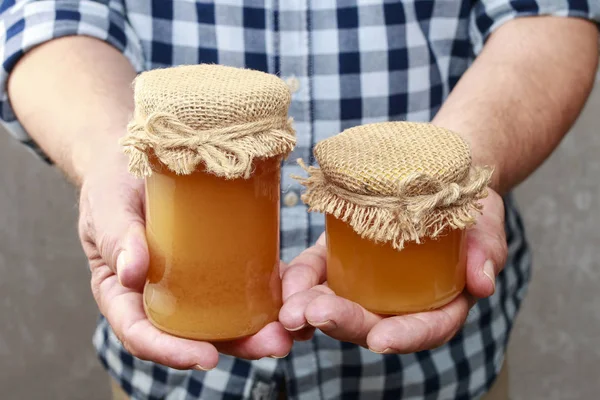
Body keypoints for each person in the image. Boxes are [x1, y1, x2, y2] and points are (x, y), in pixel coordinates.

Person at [1, 1, 598, 399]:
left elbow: (552, 13)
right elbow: (43, 15)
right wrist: (110, 153)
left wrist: (457, 170)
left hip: (445, 375)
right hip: (169, 384)